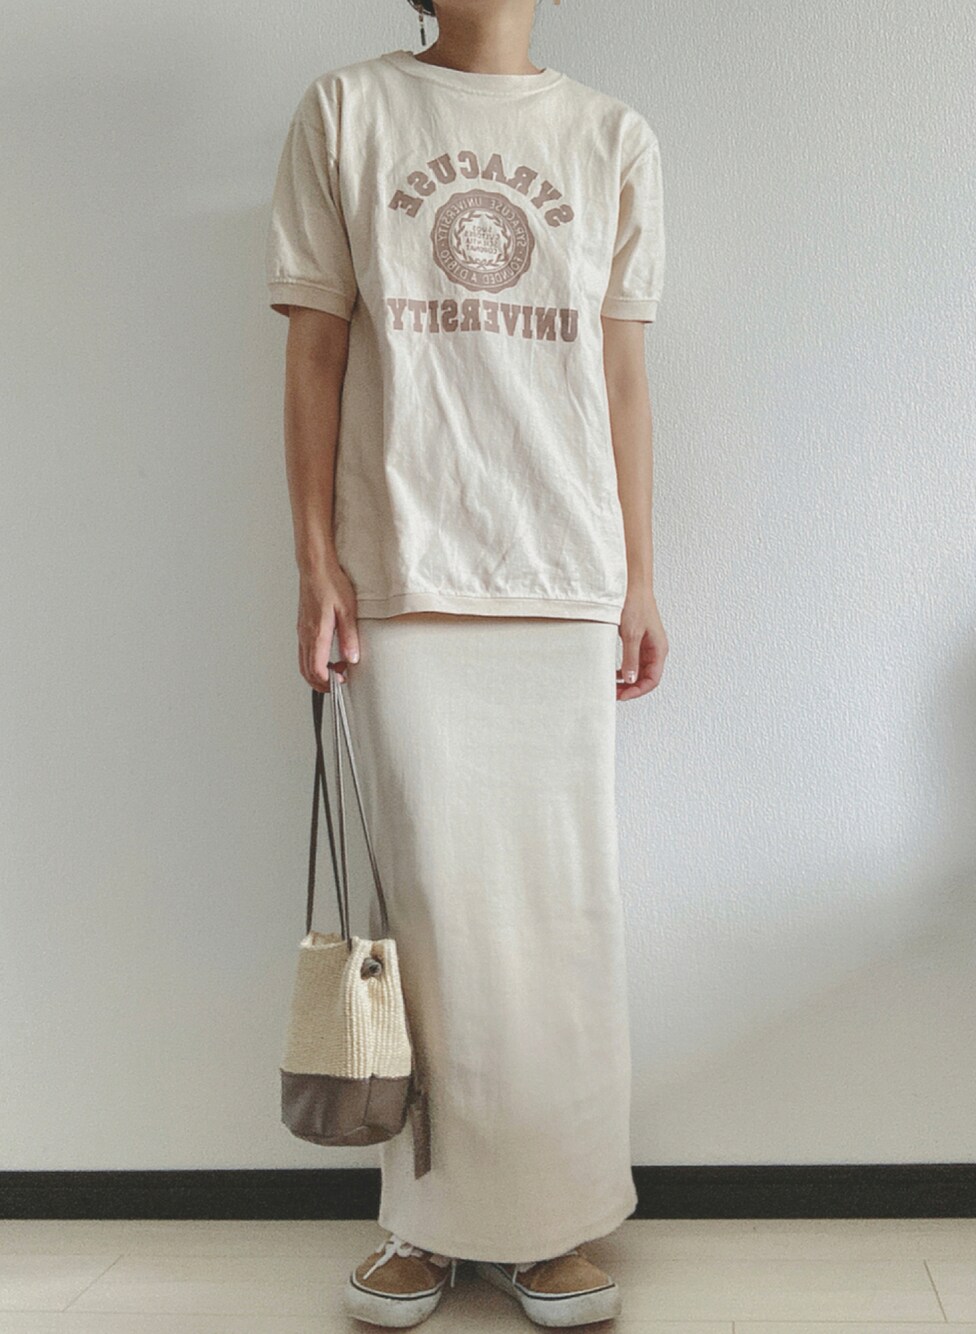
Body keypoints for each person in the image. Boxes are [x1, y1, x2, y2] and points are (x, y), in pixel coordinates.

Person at [265, 0, 669, 1325]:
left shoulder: (612, 136)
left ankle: (554, 1222)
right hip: (410, 566)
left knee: (563, 913)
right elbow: (316, 344)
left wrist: (639, 578)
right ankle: (427, 1224)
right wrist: (316, 561)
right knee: (427, 911)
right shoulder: (347, 112)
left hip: (562, 572)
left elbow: (621, 374)